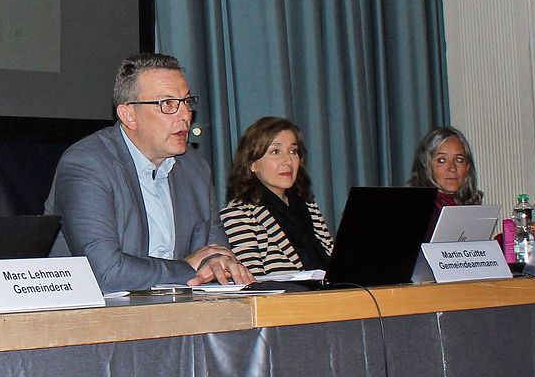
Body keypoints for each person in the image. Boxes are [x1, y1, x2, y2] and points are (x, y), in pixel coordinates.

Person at [45, 53, 252, 290]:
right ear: (129, 116)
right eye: (168, 104)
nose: (185, 115)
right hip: (97, 317)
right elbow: (106, 272)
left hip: (180, 311)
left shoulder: (194, 168)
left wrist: (218, 263)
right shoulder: (87, 164)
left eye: (187, 102)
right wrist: (187, 268)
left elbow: (216, 251)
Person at [219, 117, 334, 276]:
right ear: (252, 163)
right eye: (275, 151)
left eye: (293, 151)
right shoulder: (238, 214)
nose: (287, 161)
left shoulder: (309, 206)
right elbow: (251, 284)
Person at [405, 126, 483, 207]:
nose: (452, 168)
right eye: (441, 160)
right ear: (426, 165)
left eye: (459, 160)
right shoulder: (412, 206)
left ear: (467, 167)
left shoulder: (472, 207)